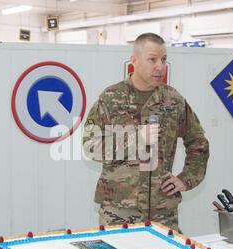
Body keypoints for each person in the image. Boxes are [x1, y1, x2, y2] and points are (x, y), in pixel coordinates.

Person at [82, 33, 209, 233]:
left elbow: (198, 142)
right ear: (134, 61)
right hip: (119, 212)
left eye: (164, 59)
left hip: (163, 212)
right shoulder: (111, 99)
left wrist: (186, 178)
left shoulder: (173, 100)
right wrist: (137, 139)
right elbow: (90, 147)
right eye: (152, 59)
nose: (160, 66)